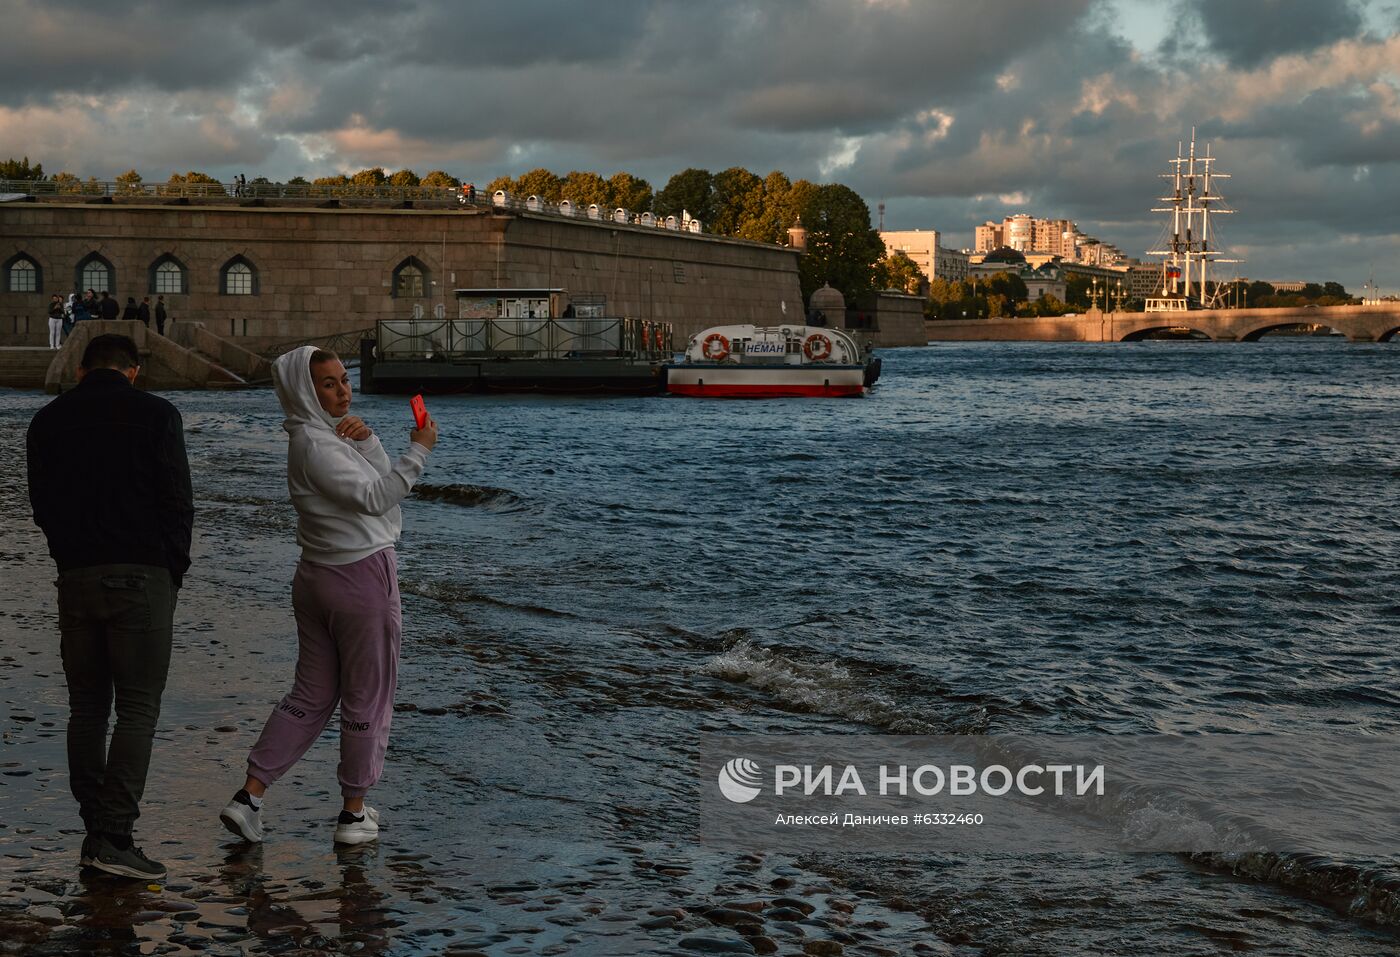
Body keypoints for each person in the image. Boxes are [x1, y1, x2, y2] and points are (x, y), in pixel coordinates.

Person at [220, 346, 437, 847]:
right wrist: (420, 449)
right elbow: (377, 499)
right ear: (303, 389)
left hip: (317, 578)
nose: (343, 391)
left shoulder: (313, 437)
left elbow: (372, 485)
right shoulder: (316, 447)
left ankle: (249, 797)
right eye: (328, 384)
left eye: (343, 380)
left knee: (312, 694)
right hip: (361, 579)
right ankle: (354, 812)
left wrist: (370, 443)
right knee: (368, 695)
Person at [25, 333, 194, 880]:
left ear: (81, 371)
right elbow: (177, 500)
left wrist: (69, 556)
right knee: (138, 707)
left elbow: (42, 503)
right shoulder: (158, 415)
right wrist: (173, 569)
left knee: (87, 706)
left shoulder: (47, 421)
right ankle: (113, 836)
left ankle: (95, 828)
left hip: (75, 575)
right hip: (141, 575)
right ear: (134, 371)